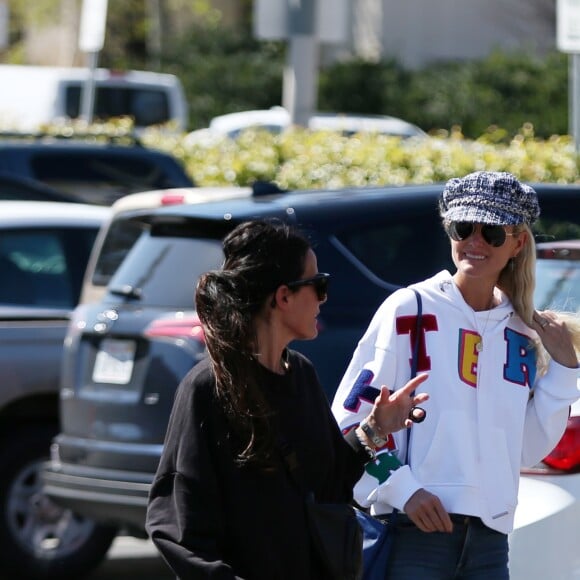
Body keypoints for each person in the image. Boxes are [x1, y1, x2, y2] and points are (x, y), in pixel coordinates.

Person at [145, 219, 429, 579]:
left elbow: (328, 486)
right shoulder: (206, 387)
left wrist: (374, 428)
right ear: (283, 296)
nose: (324, 298)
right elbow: (177, 523)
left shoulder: (301, 374)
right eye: (318, 285)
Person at [331, 170, 580, 579]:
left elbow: (525, 450)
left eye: (492, 233)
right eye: (463, 227)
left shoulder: (520, 332)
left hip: (490, 543)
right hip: (411, 536)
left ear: (517, 243)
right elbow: (348, 425)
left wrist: (563, 373)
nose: (475, 242)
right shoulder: (408, 309)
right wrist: (403, 490)